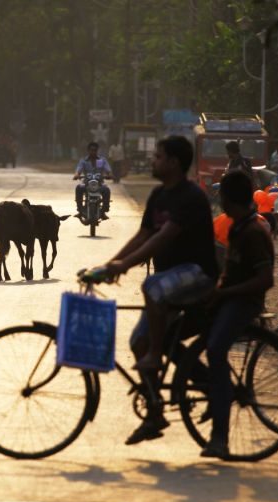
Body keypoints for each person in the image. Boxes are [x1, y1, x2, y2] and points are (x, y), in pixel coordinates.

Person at [95, 136, 218, 445]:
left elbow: (161, 239)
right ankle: (155, 411)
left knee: (152, 286)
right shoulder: (158, 196)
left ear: (174, 162)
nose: (153, 162)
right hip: (171, 282)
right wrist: (110, 264)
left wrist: (123, 267)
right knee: (138, 341)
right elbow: (144, 234)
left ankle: (155, 356)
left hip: (197, 274)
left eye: (158, 157)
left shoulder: (190, 197)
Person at [202, 170, 275, 458]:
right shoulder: (235, 227)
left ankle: (220, 435)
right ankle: (213, 391)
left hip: (244, 303)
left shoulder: (254, 232)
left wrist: (225, 293)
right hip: (228, 298)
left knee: (217, 351)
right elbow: (228, 272)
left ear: (229, 199)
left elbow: (265, 280)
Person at [74, 141, 112, 219]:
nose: (93, 152)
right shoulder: (83, 160)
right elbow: (79, 169)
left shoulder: (102, 160)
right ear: (88, 150)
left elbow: (108, 170)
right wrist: (77, 175)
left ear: (97, 150)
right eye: (91, 150)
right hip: (87, 184)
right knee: (79, 188)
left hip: (99, 184)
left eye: (95, 150)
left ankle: (104, 210)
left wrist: (110, 174)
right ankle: (80, 210)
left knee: (106, 189)